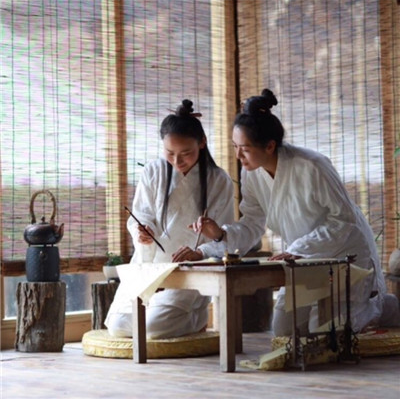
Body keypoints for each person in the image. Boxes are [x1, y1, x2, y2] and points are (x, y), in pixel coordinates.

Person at [191, 88, 400, 336]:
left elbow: (344, 221)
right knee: (284, 331)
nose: (238, 156)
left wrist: (299, 249)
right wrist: (219, 235)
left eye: (244, 149)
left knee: (330, 332)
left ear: (270, 146)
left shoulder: (312, 165)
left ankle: (382, 305)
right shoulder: (251, 174)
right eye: (234, 146)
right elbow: (253, 223)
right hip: (299, 257)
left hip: (343, 253)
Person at [105, 99, 235, 339]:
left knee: (152, 328)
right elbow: (141, 214)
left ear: (202, 143)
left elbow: (224, 235)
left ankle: (196, 315)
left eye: (186, 153)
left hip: (190, 270)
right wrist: (143, 231)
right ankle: (169, 313)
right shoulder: (152, 171)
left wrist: (200, 252)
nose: (177, 161)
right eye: (170, 153)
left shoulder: (219, 180)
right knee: (117, 325)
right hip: (151, 264)